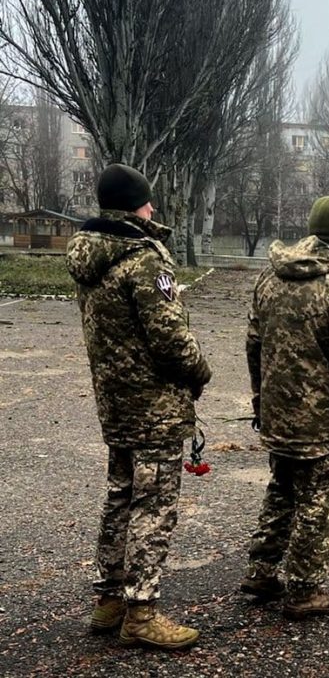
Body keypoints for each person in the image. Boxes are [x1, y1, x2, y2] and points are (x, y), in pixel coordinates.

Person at [66, 163, 212, 650]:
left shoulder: (92, 255)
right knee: (154, 506)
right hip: (155, 406)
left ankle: (108, 600)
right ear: (136, 205)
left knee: (120, 497)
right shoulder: (144, 257)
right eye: (148, 201)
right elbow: (169, 339)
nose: (154, 209)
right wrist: (199, 370)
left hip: (116, 402)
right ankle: (142, 612)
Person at [242, 196, 329, 620]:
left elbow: (254, 346)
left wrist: (262, 401)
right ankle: (303, 589)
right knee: (316, 502)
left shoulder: (270, 277)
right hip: (321, 424)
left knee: (280, 490)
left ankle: (261, 570)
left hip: (279, 416)